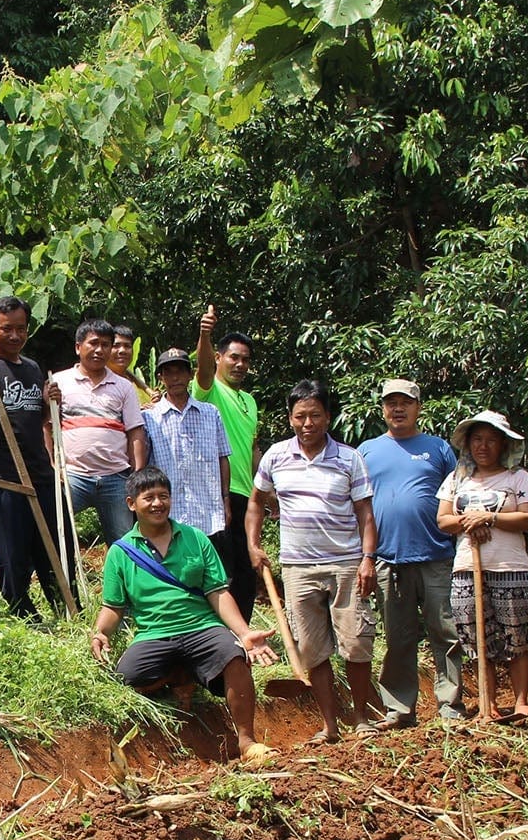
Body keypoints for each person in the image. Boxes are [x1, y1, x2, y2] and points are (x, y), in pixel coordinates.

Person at [93, 466, 278, 767]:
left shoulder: (195, 538)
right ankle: (181, 675)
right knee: (126, 678)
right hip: (154, 633)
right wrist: (101, 633)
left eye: (163, 496)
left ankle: (247, 742)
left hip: (202, 627)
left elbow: (218, 593)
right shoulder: (121, 552)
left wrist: (244, 634)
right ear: (131, 504)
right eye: (148, 497)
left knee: (234, 656)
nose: (157, 504)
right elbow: (113, 607)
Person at [247, 378, 380, 743]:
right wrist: (253, 545)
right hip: (298, 567)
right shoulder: (275, 456)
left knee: (355, 643)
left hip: (346, 563)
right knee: (311, 646)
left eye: (315, 416)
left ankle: (361, 718)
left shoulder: (349, 458)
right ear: (290, 419)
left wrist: (368, 559)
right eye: (300, 416)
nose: (308, 424)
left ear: (328, 417)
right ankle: (330, 725)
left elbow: (366, 513)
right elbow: (256, 503)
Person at [358, 379, 465, 727]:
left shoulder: (438, 449)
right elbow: (359, 504)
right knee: (397, 639)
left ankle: (449, 705)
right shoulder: (368, 450)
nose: (398, 409)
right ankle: (399, 709)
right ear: (383, 408)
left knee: (445, 633)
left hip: (436, 556)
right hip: (389, 559)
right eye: (391, 403)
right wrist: (366, 557)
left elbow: (460, 496)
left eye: (405, 402)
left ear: (419, 408)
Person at [0, 295, 72, 617]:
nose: (15, 336)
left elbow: (40, 419)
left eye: (21, 329)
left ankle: (66, 609)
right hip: (3, 473)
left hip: (39, 471)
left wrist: (52, 401)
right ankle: (22, 612)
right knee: (11, 550)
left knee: (52, 548)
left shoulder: (34, 369)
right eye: (7, 329)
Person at [436, 410, 528, 719]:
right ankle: (488, 704)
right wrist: (469, 521)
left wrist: (490, 518)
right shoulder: (457, 478)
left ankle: (521, 702)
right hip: (468, 567)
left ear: (504, 445)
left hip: (510, 568)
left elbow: (527, 518)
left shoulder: (518, 478)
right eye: (478, 440)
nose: (483, 446)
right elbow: (443, 520)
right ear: (468, 445)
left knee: (516, 638)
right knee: (478, 640)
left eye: (491, 440)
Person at [54, 318, 146, 542]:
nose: (99, 350)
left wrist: (137, 472)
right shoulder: (59, 382)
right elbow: (47, 427)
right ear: (78, 347)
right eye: (93, 343)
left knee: (124, 543)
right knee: (54, 529)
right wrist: (53, 465)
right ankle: (60, 577)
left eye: (106, 344)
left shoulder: (124, 386)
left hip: (115, 477)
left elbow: (135, 431)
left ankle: (121, 578)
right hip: (72, 476)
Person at [194, 309, 261, 620]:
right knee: (223, 571)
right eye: (233, 357)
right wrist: (205, 334)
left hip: (248, 497)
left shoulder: (249, 400)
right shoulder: (210, 391)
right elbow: (203, 369)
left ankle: (242, 636)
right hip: (219, 494)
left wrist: (266, 489)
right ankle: (218, 635)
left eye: (245, 360)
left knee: (248, 572)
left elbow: (253, 446)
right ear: (219, 358)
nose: (240, 364)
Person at [140, 347, 230, 538]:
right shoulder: (149, 417)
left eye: (180, 371)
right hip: (167, 513)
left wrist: (226, 500)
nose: (175, 378)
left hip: (208, 513)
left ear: (190, 375)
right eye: (169, 373)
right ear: (161, 377)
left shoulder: (210, 413)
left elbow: (223, 458)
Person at [110, 325, 151, 403]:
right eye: (116, 346)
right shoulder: (98, 381)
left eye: (127, 346)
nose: (122, 350)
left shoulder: (136, 385)